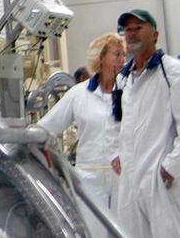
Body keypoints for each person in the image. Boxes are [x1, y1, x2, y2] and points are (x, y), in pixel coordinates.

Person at [106, 9, 180, 238]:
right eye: (128, 29)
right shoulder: (124, 79)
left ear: (155, 34)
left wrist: (171, 168)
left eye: (138, 28)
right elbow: (114, 121)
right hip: (130, 182)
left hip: (161, 181)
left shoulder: (173, 73)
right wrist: (113, 154)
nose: (132, 34)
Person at [36, 33, 124, 234]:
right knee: (93, 232)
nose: (122, 60)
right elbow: (46, 127)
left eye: (123, 55)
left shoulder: (130, 92)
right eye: (117, 54)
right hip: (89, 177)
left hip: (123, 176)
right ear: (100, 58)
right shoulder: (79, 94)